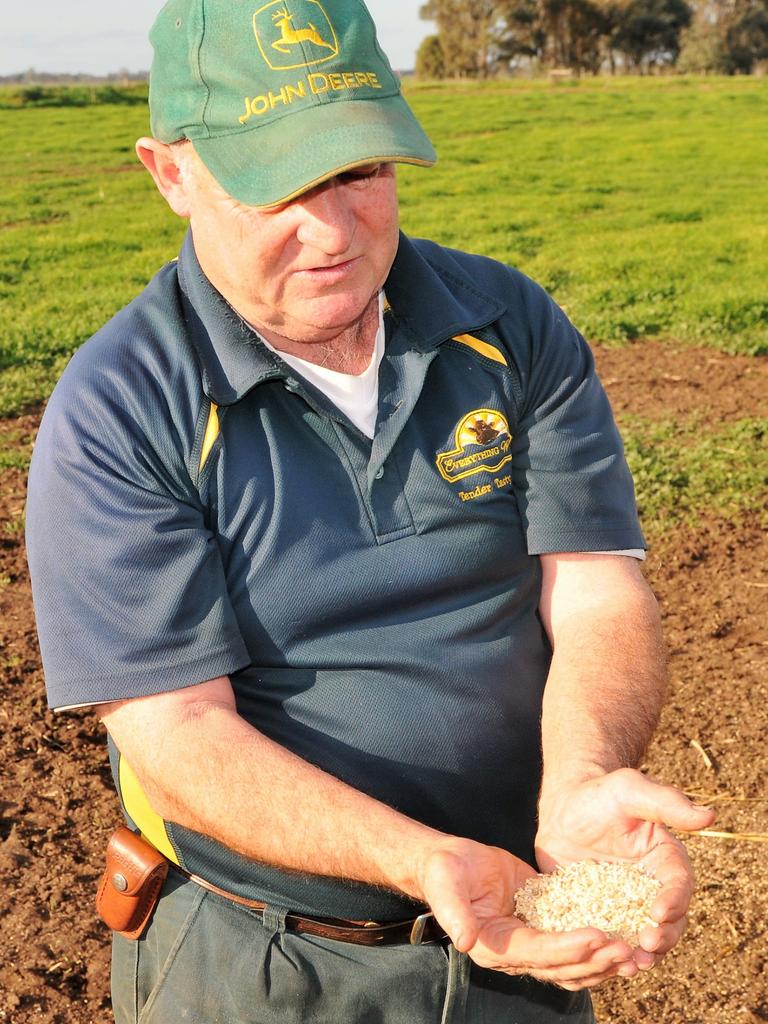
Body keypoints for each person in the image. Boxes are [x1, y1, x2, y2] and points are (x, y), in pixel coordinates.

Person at [26, 1, 715, 1021]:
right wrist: (420, 859)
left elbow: (597, 590)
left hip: (525, 927)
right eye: (279, 189)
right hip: (261, 964)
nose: (335, 231)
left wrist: (580, 781)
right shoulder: (121, 408)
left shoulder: (508, 325)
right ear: (170, 173)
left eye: (358, 172)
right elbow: (176, 732)